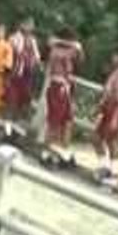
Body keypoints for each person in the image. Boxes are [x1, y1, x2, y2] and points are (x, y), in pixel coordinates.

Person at [41, 26, 85, 169]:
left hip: (64, 87)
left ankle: (59, 152)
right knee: (54, 123)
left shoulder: (65, 50)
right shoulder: (58, 49)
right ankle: (48, 153)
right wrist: (70, 44)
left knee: (66, 122)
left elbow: (80, 62)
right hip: (58, 86)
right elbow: (77, 56)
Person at [93, 46, 118, 187]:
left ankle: (114, 173)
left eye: (116, 55)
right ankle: (105, 167)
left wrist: (115, 119)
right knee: (97, 137)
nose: (113, 58)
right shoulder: (117, 72)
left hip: (115, 111)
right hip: (108, 109)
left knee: (112, 141)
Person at [4, 17, 42, 135]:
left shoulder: (33, 41)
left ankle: (15, 128)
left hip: (27, 75)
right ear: (21, 24)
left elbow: (37, 57)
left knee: (23, 101)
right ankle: (6, 127)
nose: (29, 27)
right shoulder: (14, 37)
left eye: (31, 25)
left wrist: (33, 60)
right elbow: (13, 51)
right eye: (27, 24)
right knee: (11, 100)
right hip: (15, 73)